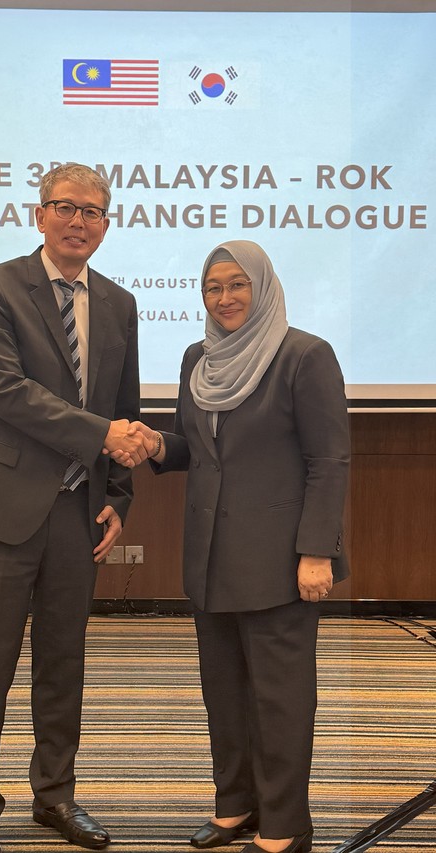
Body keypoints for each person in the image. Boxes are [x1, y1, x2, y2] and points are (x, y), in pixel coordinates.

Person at [0, 163, 147, 853]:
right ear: (40, 214)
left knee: (64, 664)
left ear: (106, 225)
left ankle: (55, 795)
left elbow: (123, 408)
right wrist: (102, 436)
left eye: (92, 212)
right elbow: (7, 393)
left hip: (76, 511)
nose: (78, 222)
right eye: (66, 207)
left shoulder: (118, 303)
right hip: (0, 508)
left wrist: (117, 497)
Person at [118, 240, 350, 853]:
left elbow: (328, 461)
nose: (224, 298)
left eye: (237, 284)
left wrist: (317, 551)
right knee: (223, 692)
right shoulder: (198, 359)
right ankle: (236, 805)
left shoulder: (304, 356)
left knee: (279, 697)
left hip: (280, 560)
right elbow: (196, 448)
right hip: (211, 557)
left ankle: (285, 823)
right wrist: (157, 445)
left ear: (262, 287)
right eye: (213, 287)